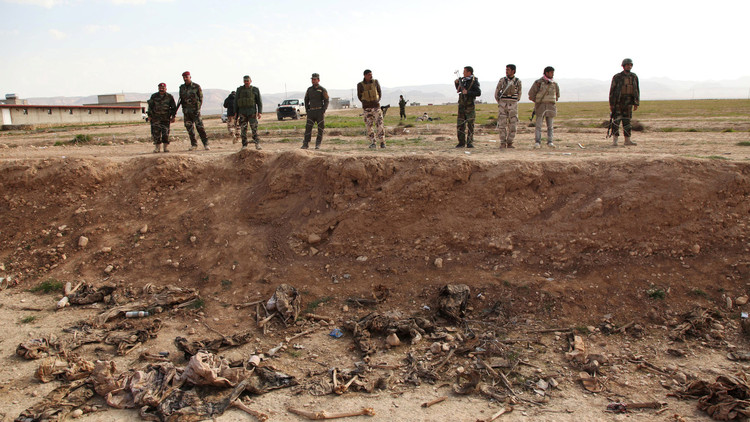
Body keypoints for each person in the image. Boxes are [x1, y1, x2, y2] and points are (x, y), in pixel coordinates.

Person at [609, 58, 640, 146]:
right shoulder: (617, 77)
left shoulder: (634, 77)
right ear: (623, 66)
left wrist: (636, 102)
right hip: (618, 103)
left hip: (629, 102)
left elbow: (636, 90)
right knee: (616, 121)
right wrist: (611, 104)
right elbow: (612, 91)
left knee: (627, 122)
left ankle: (627, 140)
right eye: (627, 65)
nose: (629, 66)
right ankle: (615, 141)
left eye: (630, 65)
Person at [528, 66, 560, 148]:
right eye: (551, 72)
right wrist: (538, 101)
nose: (552, 74)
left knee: (550, 126)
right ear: (546, 73)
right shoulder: (538, 83)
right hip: (540, 107)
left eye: (553, 72)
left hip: (550, 107)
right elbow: (531, 94)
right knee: (538, 126)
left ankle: (550, 142)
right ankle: (537, 142)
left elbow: (557, 95)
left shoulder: (554, 84)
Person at [178, 71, 209, 151]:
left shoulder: (196, 86)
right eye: (184, 77)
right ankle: (194, 144)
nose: (185, 79)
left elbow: (200, 98)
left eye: (186, 77)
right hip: (186, 112)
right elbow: (181, 99)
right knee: (190, 129)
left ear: (190, 77)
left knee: (200, 128)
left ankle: (206, 144)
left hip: (195, 111)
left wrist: (198, 108)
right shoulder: (182, 88)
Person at [494, 64, 522, 148]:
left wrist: (515, 100)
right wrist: (500, 101)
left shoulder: (517, 81)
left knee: (513, 123)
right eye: (506, 70)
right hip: (503, 104)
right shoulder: (502, 80)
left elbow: (519, 93)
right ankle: (502, 142)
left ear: (513, 71)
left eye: (508, 70)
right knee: (502, 124)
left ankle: (510, 142)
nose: (506, 71)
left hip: (513, 104)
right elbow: (497, 91)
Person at [357, 69, 386, 148]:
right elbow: (359, 96)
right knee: (369, 126)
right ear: (365, 76)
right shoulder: (360, 85)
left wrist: (376, 101)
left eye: (371, 74)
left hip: (376, 107)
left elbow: (379, 92)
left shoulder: (375, 82)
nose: (371, 76)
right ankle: (373, 142)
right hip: (367, 108)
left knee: (379, 124)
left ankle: (382, 142)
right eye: (369, 75)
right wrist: (366, 103)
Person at [454, 66, 481, 148]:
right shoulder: (463, 80)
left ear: (469, 72)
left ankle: (469, 142)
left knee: (470, 125)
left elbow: (478, 92)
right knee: (460, 124)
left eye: (464, 71)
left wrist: (468, 92)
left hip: (469, 106)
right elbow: (459, 90)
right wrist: (457, 83)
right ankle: (461, 142)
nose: (463, 73)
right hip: (462, 106)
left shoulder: (474, 81)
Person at [234, 75, 263, 150]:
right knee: (243, 129)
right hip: (242, 112)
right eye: (245, 81)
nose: (246, 82)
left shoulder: (255, 89)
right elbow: (236, 102)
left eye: (247, 81)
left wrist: (260, 112)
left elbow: (259, 102)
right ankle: (244, 145)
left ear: (250, 81)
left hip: (252, 112)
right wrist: (235, 112)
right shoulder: (239, 90)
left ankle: (257, 143)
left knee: (254, 128)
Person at [146, 82, 176, 153]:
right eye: (160, 88)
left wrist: (173, 116)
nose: (161, 89)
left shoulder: (169, 97)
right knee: (156, 133)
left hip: (165, 118)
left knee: (165, 133)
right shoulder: (154, 96)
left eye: (163, 88)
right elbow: (150, 107)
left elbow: (173, 107)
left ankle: (165, 147)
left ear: (166, 88)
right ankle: (157, 148)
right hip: (155, 118)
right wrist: (149, 116)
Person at [302, 73, 329, 149]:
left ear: (318, 80)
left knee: (320, 129)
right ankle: (305, 144)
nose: (313, 81)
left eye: (315, 79)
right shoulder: (309, 89)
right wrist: (307, 109)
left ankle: (318, 144)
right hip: (311, 112)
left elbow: (326, 100)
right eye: (312, 79)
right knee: (308, 128)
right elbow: (306, 99)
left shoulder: (322, 89)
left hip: (319, 112)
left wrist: (323, 110)